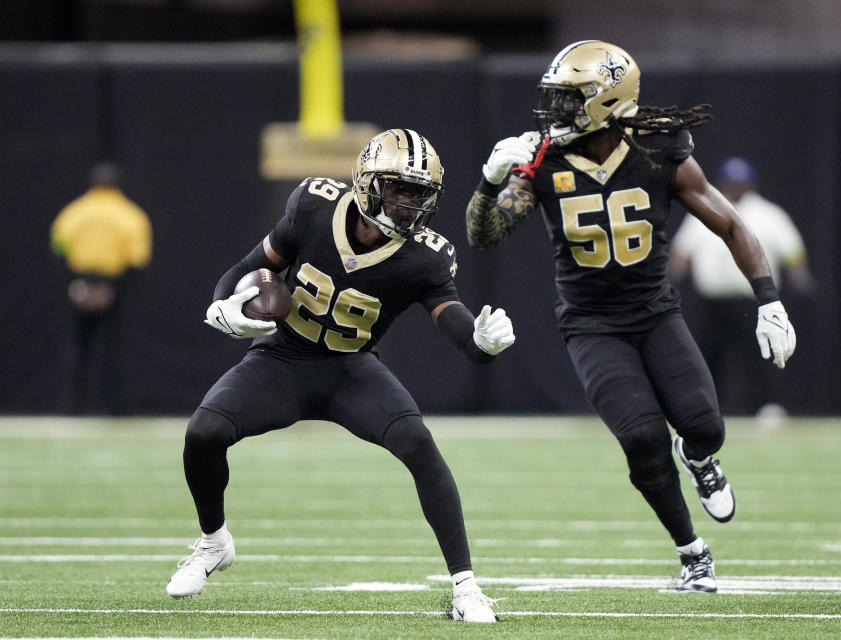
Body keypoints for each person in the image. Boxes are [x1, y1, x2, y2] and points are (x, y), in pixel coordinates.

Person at [465, 41, 796, 592]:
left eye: (569, 99)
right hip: (591, 323)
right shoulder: (542, 158)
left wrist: (770, 300)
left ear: (606, 101)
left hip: (656, 313)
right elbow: (485, 234)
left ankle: (698, 458)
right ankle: (693, 555)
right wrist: (488, 179)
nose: (555, 112)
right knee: (641, 437)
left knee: (705, 427)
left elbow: (732, 224)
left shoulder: (657, 148)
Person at [165, 129, 513, 623]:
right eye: (399, 190)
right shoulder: (313, 206)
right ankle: (212, 543)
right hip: (283, 358)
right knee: (203, 433)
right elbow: (246, 268)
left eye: (420, 194)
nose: (409, 205)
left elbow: (456, 323)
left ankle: (466, 588)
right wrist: (224, 305)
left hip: (352, 370)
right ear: (368, 183)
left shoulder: (425, 255)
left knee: (418, 444)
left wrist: (481, 342)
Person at [671, 157, 815, 417]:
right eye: (731, 183)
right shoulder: (706, 207)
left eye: (740, 183)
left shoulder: (769, 214)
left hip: (750, 299)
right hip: (713, 302)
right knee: (707, 355)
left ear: (750, 184)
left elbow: (792, 249)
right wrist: (674, 273)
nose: (735, 188)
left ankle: (766, 406)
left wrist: (799, 276)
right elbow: (684, 249)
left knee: (759, 354)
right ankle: (709, 408)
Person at [50, 162, 152, 415]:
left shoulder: (75, 211)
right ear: (118, 184)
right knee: (114, 348)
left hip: (80, 284)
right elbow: (138, 258)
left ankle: (73, 406)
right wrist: (112, 289)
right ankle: (113, 408)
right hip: (114, 286)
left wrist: (75, 282)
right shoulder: (130, 214)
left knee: (78, 347)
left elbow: (57, 246)